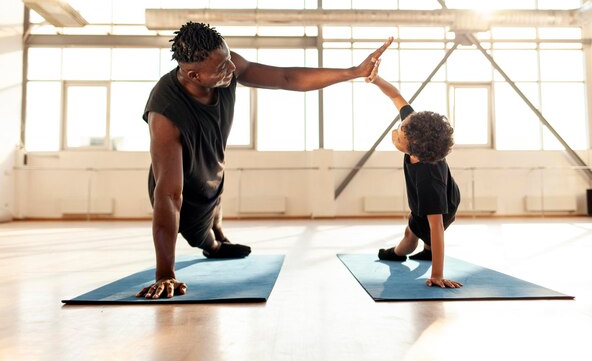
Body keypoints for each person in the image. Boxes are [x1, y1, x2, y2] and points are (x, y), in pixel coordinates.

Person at [136, 22, 392, 299]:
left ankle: (219, 231)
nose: (232, 70)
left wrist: (353, 72)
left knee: (216, 191)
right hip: (183, 187)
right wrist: (165, 274)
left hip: (212, 169)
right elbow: (170, 194)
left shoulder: (226, 64)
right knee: (201, 234)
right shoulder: (165, 112)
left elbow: (286, 78)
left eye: (229, 61)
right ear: (194, 75)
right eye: (222, 69)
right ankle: (213, 245)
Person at [369, 74, 463, 289]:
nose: (395, 132)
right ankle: (428, 250)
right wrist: (377, 80)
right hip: (447, 193)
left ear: (415, 150)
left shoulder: (427, 178)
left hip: (442, 204)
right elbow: (396, 95)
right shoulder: (416, 129)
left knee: (411, 235)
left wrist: (437, 274)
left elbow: (437, 226)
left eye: (399, 137)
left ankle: (396, 253)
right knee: (424, 223)